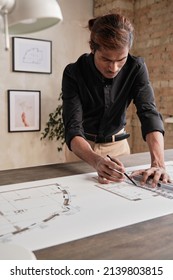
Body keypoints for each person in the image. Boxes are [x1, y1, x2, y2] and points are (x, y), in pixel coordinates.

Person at [62, 13, 171, 186]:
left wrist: (158, 164)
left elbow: (148, 113)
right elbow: (72, 128)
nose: (113, 68)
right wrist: (96, 160)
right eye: (105, 59)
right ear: (92, 49)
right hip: (83, 150)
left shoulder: (136, 68)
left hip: (119, 148)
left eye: (121, 60)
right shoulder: (74, 72)